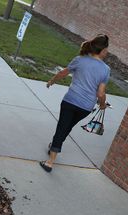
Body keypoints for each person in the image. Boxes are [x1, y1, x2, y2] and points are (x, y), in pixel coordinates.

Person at [39, 34, 110, 172]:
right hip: (85, 107)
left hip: (70, 101)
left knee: (62, 127)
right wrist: (102, 104)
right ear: (102, 50)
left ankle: (50, 161)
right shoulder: (105, 69)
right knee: (67, 127)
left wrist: (51, 81)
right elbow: (101, 93)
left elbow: (63, 73)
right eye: (107, 49)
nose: (107, 52)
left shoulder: (80, 60)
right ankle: (54, 146)